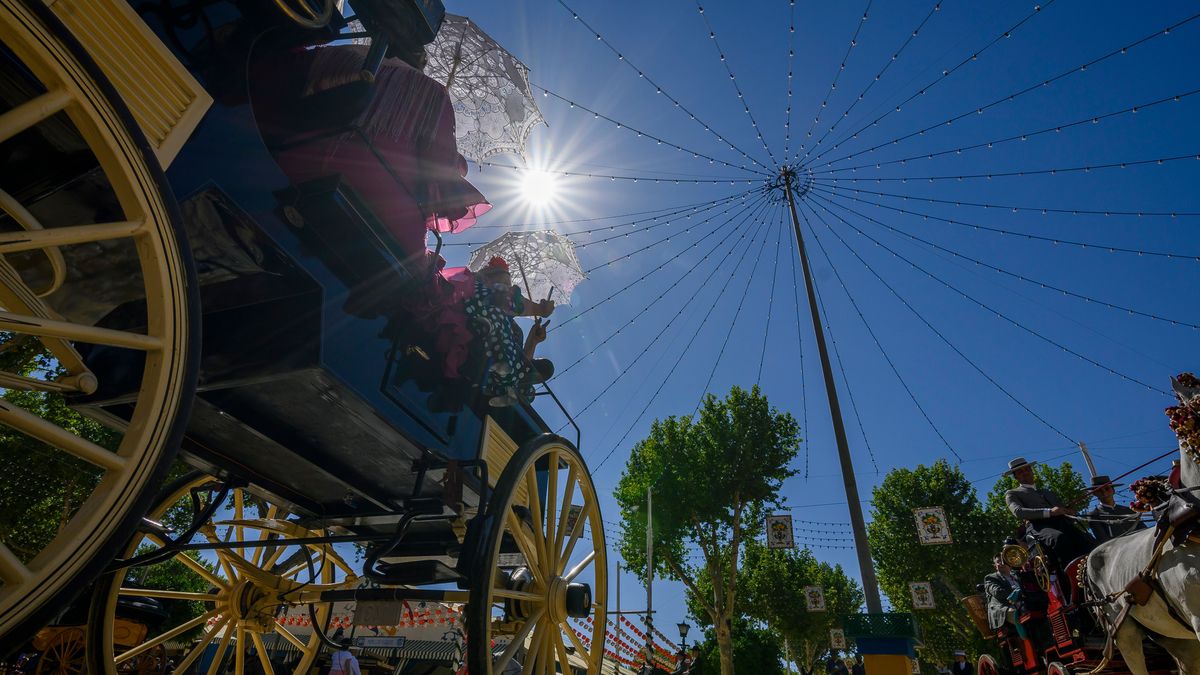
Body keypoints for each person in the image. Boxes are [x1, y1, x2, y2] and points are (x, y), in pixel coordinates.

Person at [1003, 457, 1095, 564]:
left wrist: (1068, 512)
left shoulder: (1048, 492)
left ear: (1032, 471)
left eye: (1027, 469)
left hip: (1062, 523)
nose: (1025, 473)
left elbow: (1060, 509)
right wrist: (1050, 512)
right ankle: (1069, 575)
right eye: (1020, 472)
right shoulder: (1012, 493)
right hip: (1038, 527)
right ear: (1016, 477)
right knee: (1059, 539)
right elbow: (1018, 511)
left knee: (1087, 540)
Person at [1084, 475, 1147, 543]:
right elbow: (1104, 542)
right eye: (1099, 490)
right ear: (1095, 493)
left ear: (1113, 490)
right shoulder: (1094, 515)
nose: (1104, 493)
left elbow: (1144, 530)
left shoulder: (1130, 510)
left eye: (1107, 489)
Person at [984, 554, 1021, 630]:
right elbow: (997, 592)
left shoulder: (1017, 574)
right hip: (1003, 608)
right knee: (1018, 613)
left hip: (1021, 602)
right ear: (995, 566)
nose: (1002, 562)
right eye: (998, 561)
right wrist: (1017, 591)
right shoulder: (990, 578)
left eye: (1004, 560)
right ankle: (1025, 637)